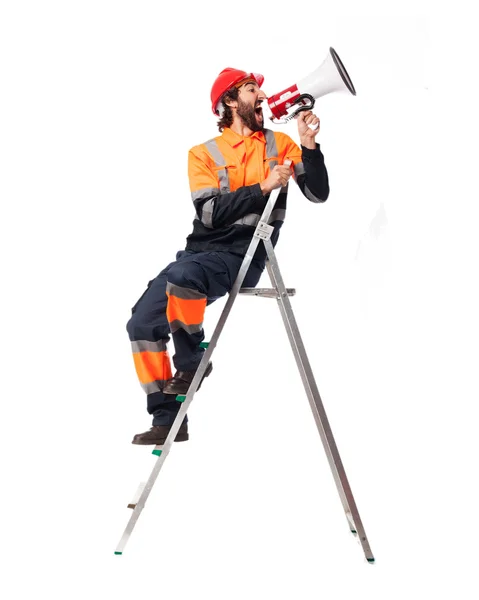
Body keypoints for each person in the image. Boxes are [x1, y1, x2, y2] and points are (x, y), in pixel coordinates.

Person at [127, 67, 329, 445]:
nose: (263, 97)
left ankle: (192, 363)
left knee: (184, 277)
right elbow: (208, 213)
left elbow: (317, 194)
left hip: (245, 252)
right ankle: (168, 418)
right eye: (253, 90)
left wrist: (309, 144)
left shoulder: (282, 144)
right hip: (199, 251)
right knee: (141, 323)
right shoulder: (202, 154)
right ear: (231, 101)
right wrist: (262, 186)